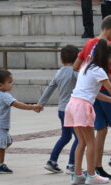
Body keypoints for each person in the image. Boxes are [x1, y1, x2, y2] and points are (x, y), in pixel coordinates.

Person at [66, 40, 111, 185]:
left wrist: (110, 100)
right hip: (83, 106)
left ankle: (77, 175)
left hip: (73, 104)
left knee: (81, 142)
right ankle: (91, 175)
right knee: (91, 142)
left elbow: (92, 92)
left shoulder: (86, 67)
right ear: (106, 57)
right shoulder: (99, 70)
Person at [73, 15, 111, 180]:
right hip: (106, 89)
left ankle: (97, 167)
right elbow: (109, 72)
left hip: (90, 93)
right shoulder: (108, 45)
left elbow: (76, 66)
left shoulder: (89, 43)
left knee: (100, 128)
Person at [0, 69, 44, 174]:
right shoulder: (5, 95)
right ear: (0, 85)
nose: (12, 84)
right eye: (9, 82)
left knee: (7, 141)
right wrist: (32, 107)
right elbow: (17, 104)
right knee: (2, 146)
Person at [39, 45, 80, 174]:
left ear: (61, 59)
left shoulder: (59, 72)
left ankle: (52, 161)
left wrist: (41, 103)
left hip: (62, 109)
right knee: (79, 138)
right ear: (78, 58)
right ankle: (72, 164)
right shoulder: (75, 72)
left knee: (65, 136)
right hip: (73, 109)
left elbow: (50, 88)